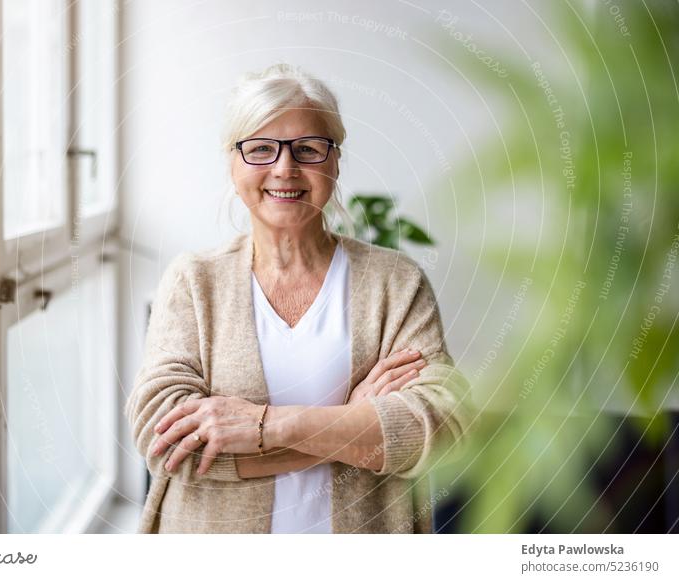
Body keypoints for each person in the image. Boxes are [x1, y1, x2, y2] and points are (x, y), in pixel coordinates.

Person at [125, 63, 473, 533]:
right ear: (233, 163)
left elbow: (440, 425)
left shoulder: (396, 281)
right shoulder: (193, 281)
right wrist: (353, 424)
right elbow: (164, 438)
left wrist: (268, 427)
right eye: (261, 149)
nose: (285, 168)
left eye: (308, 149)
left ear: (334, 162)